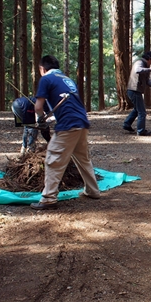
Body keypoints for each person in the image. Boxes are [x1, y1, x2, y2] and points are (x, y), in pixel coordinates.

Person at [30, 55, 101, 211]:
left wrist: (41, 120)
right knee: (83, 159)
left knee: (53, 159)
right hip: (82, 121)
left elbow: (37, 107)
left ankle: (48, 199)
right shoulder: (66, 79)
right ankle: (93, 191)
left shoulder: (46, 79)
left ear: (42, 68)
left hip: (69, 124)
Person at [123, 51, 151, 136]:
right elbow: (137, 70)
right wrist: (149, 69)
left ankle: (127, 124)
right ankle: (141, 131)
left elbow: (147, 80)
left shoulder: (145, 66)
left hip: (136, 91)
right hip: (134, 90)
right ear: (149, 59)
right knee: (142, 112)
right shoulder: (139, 62)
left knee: (137, 109)